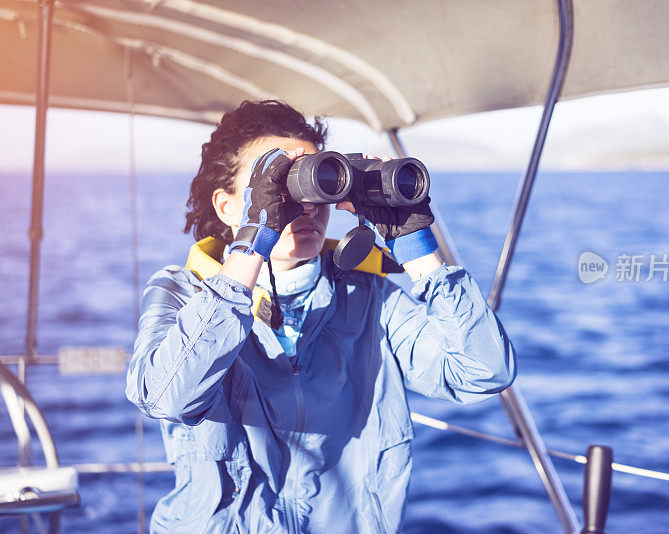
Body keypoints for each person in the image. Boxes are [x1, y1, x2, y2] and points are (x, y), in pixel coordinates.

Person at [126, 99, 516, 533]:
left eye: (315, 183)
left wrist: (418, 251)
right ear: (227, 207)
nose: (306, 206)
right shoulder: (181, 293)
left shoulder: (369, 297)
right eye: (278, 187)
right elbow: (164, 395)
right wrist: (254, 240)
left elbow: (484, 372)